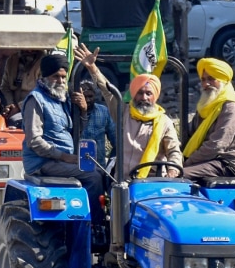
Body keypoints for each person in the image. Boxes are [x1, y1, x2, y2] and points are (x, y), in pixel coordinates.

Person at [21, 53, 104, 221]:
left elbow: (76, 132)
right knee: (93, 176)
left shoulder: (63, 99)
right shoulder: (35, 100)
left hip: (64, 160)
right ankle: (94, 223)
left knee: (106, 172)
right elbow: (34, 141)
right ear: (43, 77)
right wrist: (64, 157)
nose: (60, 81)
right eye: (55, 77)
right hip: (43, 162)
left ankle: (101, 218)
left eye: (63, 77)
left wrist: (82, 110)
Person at [75, 45, 181, 174]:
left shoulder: (164, 122)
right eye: (140, 93)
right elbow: (108, 91)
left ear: (156, 96)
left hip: (152, 181)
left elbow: (174, 151)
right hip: (122, 182)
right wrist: (92, 68)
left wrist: (172, 172)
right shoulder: (123, 113)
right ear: (133, 94)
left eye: (149, 93)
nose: (144, 97)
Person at [182, 58, 235, 180]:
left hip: (227, 164)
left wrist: (184, 164)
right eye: (203, 80)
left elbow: (216, 145)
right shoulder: (207, 106)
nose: (206, 84)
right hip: (208, 160)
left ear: (223, 81)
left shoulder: (232, 108)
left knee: (177, 176)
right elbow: (188, 133)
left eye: (211, 79)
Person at [76, 78, 117, 163]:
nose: (87, 100)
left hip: (99, 166)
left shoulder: (103, 111)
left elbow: (116, 141)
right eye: (84, 96)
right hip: (76, 164)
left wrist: (111, 163)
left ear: (95, 95)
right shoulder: (71, 112)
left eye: (90, 96)